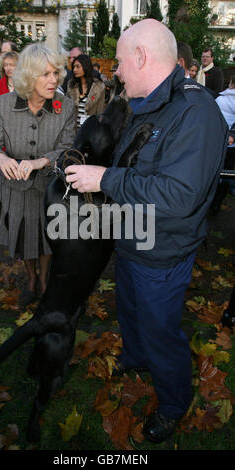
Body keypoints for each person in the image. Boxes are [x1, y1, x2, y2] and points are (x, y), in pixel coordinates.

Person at [64, 19, 229, 443]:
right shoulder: (152, 103)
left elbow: (177, 196)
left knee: (161, 332)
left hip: (163, 253)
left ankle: (174, 402)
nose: (116, 71)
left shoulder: (196, 113)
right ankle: (136, 357)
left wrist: (105, 180)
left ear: (141, 57)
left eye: (120, 62)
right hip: (133, 239)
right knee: (132, 314)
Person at [0, 43, 76, 308]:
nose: (53, 79)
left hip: (49, 190)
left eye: (55, 73)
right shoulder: (2, 105)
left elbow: (68, 148)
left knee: (46, 239)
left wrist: (42, 161)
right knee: (24, 239)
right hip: (14, 189)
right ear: (27, 76)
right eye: (45, 74)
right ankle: (31, 278)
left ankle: (44, 279)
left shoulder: (65, 108)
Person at [67, 54, 106, 129]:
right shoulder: (71, 86)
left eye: (78, 66)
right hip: (72, 132)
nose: (74, 70)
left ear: (86, 66)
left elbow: (100, 112)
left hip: (89, 132)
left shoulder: (99, 87)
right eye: (74, 67)